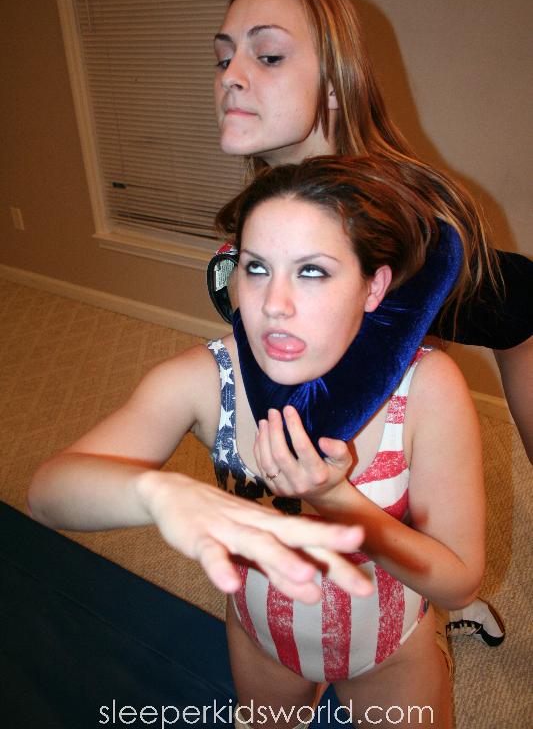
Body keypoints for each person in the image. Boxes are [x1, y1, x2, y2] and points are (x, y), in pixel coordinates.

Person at [29, 156, 484, 728]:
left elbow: (459, 581)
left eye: (312, 271)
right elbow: (47, 494)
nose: (273, 304)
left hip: (389, 649)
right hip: (263, 641)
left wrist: (336, 499)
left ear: (374, 286)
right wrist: (157, 493)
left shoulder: (426, 388)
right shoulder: (205, 379)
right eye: (257, 267)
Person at [208, 0, 527, 648]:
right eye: (223, 56)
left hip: (512, 307)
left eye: (267, 56)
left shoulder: (414, 226)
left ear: (335, 85)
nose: (231, 75)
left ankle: (442, 600)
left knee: (407, 428)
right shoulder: (275, 200)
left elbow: (318, 420)